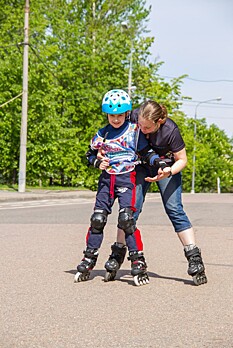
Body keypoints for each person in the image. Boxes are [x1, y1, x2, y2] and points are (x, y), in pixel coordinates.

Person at [100, 100, 207, 286]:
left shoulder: (170, 131)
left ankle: (194, 257)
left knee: (174, 209)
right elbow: (112, 133)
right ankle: (117, 253)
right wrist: (101, 152)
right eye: (139, 125)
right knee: (129, 210)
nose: (142, 129)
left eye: (147, 127)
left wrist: (169, 171)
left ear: (159, 122)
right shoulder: (133, 116)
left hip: (165, 167)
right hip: (140, 166)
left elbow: (182, 159)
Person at [74, 90, 168, 286]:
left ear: (127, 113)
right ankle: (89, 258)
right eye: (111, 115)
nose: (115, 119)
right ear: (106, 115)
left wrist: (158, 163)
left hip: (127, 179)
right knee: (98, 219)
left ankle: (138, 260)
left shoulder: (134, 131)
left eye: (119, 115)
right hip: (106, 181)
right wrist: (95, 163)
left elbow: (146, 152)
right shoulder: (102, 133)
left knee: (127, 220)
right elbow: (89, 154)